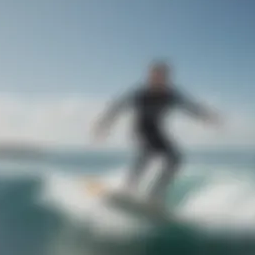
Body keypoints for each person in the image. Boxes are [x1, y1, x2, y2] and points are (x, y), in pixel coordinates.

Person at [92, 60, 222, 207]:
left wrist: (207, 116)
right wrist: (102, 125)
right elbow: (117, 107)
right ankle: (128, 189)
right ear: (150, 77)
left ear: (166, 78)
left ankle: (154, 195)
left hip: (156, 129)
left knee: (175, 159)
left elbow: (190, 107)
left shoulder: (171, 95)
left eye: (162, 76)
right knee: (147, 153)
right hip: (141, 129)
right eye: (154, 76)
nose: (157, 79)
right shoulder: (140, 94)